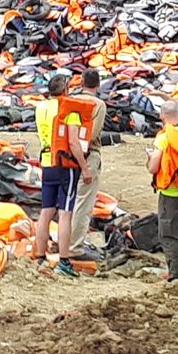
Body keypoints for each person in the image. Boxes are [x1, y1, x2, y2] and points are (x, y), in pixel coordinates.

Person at [34, 75, 89, 277]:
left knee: (46, 211)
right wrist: (85, 167)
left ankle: (40, 257)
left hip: (47, 162)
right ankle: (64, 261)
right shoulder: (70, 111)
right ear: (66, 90)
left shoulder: (40, 108)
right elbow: (74, 143)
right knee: (65, 213)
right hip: (66, 165)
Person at [147, 100, 178, 281]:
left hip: (170, 191)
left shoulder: (164, 137)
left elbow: (153, 167)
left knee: (167, 233)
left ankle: (176, 275)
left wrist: (150, 157)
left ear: (161, 117)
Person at [69, 69, 107, 261]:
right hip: (89, 155)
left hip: (66, 155)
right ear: (98, 85)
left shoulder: (71, 101)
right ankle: (75, 246)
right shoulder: (98, 105)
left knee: (68, 202)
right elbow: (92, 134)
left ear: (81, 82)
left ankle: (65, 240)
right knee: (84, 203)